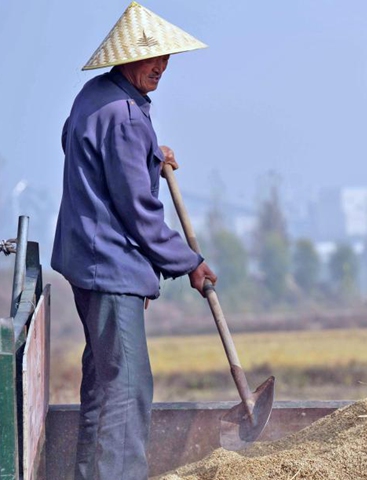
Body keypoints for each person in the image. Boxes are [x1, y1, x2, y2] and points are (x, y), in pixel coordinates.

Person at [51, 3, 215, 479]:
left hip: (89, 260)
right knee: (127, 390)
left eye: (166, 57)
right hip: (109, 263)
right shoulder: (124, 115)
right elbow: (138, 211)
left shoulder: (95, 97)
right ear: (124, 58)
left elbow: (81, 146)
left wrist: (147, 153)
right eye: (151, 57)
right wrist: (189, 263)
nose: (161, 66)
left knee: (104, 387)